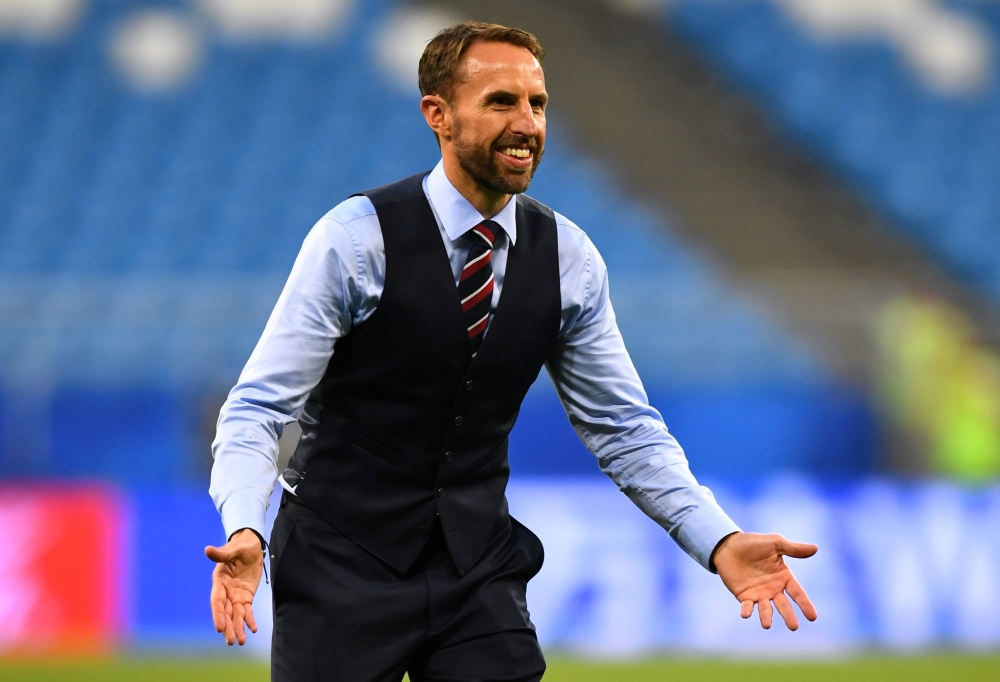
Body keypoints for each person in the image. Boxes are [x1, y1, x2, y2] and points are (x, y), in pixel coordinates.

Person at [205, 21, 818, 682]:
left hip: (477, 571)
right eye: (501, 101)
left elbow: (626, 433)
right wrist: (246, 527)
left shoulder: (569, 259)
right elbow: (258, 411)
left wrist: (718, 539)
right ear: (438, 115)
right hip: (339, 567)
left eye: (538, 103)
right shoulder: (354, 242)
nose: (527, 123)